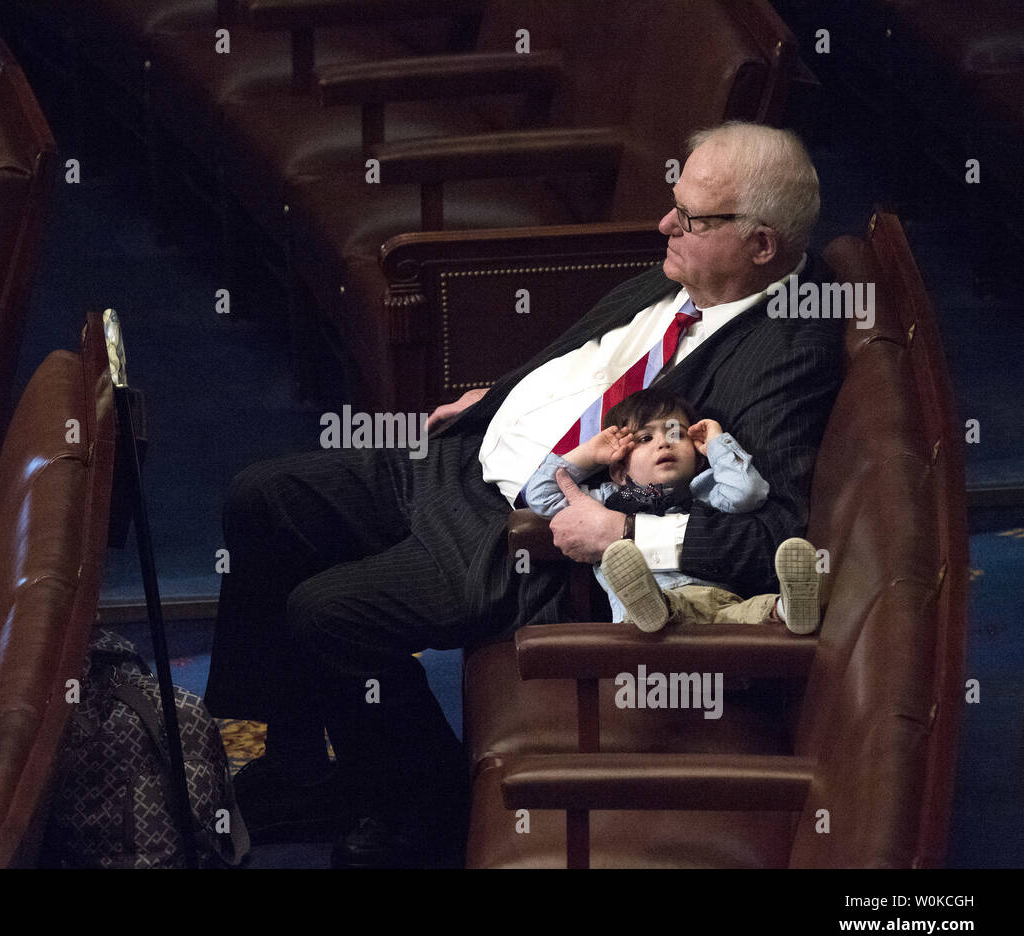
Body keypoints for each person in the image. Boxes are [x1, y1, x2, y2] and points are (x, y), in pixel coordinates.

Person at [205, 121, 844, 868]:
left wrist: (620, 534)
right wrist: (496, 399)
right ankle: (299, 768)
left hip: (516, 530)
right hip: (463, 456)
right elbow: (590, 359)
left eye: (691, 218)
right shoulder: (700, 272)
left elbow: (776, 534)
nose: (665, 224)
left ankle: (423, 809)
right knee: (260, 499)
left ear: (762, 245)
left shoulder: (786, 351)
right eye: (674, 203)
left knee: (327, 614)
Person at [524, 387, 821, 634]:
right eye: (644, 438)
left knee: (752, 613)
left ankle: (790, 608)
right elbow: (542, 495)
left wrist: (717, 443)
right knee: (656, 610)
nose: (664, 442)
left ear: (697, 456)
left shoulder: (704, 489)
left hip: (718, 602)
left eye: (675, 434)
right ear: (617, 469)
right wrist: (588, 455)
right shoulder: (607, 498)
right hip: (651, 611)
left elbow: (748, 493)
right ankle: (656, 608)